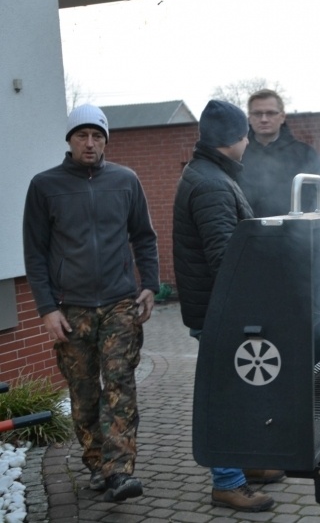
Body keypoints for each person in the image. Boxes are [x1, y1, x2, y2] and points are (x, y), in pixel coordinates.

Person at [22, 104, 159, 502]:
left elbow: (144, 237)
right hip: (70, 309)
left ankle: (120, 472)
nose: (90, 142)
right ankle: (98, 463)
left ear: (105, 141)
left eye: (97, 136)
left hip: (120, 303)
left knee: (119, 386)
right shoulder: (45, 186)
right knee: (83, 396)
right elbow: (35, 252)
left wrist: (148, 284)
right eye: (82, 135)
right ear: (69, 139)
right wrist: (47, 308)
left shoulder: (126, 181)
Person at [172, 100, 282, 512]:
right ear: (234, 139)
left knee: (244, 393)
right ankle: (228, 480)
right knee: (227, 397)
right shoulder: (213, 184)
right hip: (224, 312)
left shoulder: (209, 175)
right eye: (244, 134)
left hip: (223, 308)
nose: (249, 141)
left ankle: (247, 463)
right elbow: (225, 258)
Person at [236, 89, 320, 217]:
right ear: (249, 118)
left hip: (296, 232)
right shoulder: (238, 155)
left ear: (282, 117)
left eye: (271, 113)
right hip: (248, 233)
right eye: (257, 114)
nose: (264, 119)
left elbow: (319, 196)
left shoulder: (304, 154)